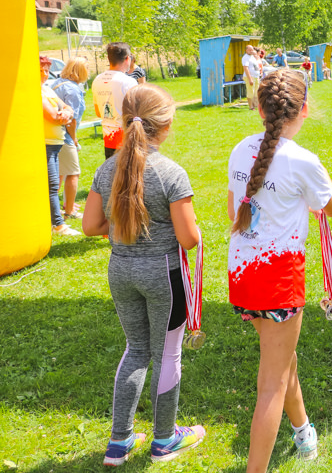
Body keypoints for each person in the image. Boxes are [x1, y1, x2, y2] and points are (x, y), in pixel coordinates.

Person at [82, 84, 206, 465]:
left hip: (120, 270)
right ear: (166, 125)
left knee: (135, 350)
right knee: (167, 353)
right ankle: (164, 439)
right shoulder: (171, 173)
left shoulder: (107, 168)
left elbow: (89, 225)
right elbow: (189, 239)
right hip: (163, 275)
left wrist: (125, 226)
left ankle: (119, 442)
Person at [227, 69, 332, 471]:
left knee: (282, 359)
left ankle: (303, 428)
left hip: (242, 276)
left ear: (259, 108)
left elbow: (232, 212)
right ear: (304, 110)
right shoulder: (302, 161)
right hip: (278, 280)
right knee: (271, 383)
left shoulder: (240, 150)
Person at [41, 55, 79, 236]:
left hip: (56, 144)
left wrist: (66, 113)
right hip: (47, 145)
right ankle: (57, 224)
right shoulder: (37, 92)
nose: (44, 73)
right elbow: (54, 117)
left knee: (54, 184)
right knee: (52, 184)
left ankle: (54, 221)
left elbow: (68, 108)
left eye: (47, 70)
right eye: (40, 70)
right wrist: (63, 115)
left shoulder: (47, 89)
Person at [52, 57, 89, 221]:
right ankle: (69, 211)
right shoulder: (73, 90)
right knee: (73, 173)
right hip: (65, 137)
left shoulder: (57, 84)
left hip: (53, 135)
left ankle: (57, 207)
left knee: (58, 174)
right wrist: (74, 139)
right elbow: (71, 120)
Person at [92, 42, 137, 159]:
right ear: (127, 58)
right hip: (127, 138)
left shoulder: (97, 80)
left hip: (108, 138)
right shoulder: (128, 82)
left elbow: (98, 112)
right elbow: (137, 112)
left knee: (112, 175)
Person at [242, 45, 262, 110]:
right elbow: (246, 68)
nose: (251, 51)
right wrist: (250, 79)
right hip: (250, 77)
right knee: (251, 91)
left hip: (256, 76)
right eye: (250, 50)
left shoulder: (252, 57)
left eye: (252, 49)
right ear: (246, 50)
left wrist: (258, 75)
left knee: (256, 91)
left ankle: (256, 105)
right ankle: (251, 107)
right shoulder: (245, 58)